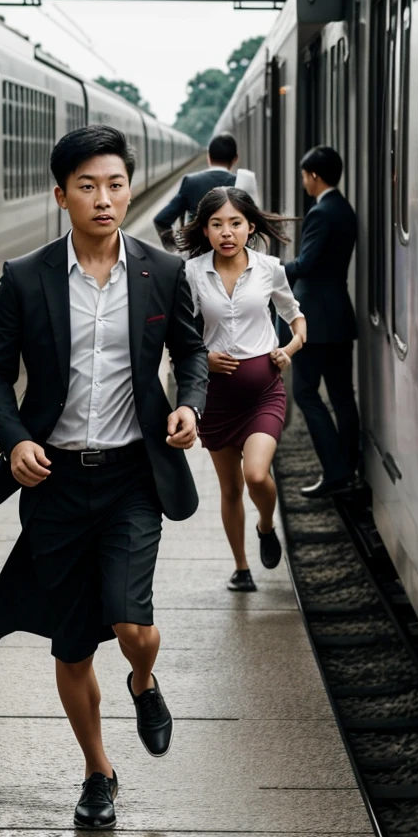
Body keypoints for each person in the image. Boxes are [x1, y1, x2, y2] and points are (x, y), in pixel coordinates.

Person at [0, 125, 208, 831]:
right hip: (54, 483)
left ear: (128, 188)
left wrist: (190, 407)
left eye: (114, 184)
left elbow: (191, 355)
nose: (103, 198)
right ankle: (98, 773)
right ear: (61, 196)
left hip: (133, 477)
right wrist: (14, 440)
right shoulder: (25, 277)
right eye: (87, 186)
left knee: (132, 621)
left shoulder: (163, 273)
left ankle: (143, 679)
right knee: (72, 642)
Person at [183, 188, 306, 592]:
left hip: (263, 393)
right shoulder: (192, 272)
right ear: (206, 229)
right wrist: (204, 357)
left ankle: (266, 526)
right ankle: (241, 567)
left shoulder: (270, 268)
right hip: (215, 397)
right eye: (217, 224)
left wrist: (287, 350)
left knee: (256, 475)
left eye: (235, 223)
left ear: (251, 226)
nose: (227, 232)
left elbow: (296, 319)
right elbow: (181, 336)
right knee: (230, 488)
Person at [284, 145, 360, 499]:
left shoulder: (320, 213)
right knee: (342, 394)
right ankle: (349, 465)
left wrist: (271, 269)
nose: (303, 183)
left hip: (314, 318)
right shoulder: (344, 209)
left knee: (305, 392)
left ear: (313, 176)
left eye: (304, 176)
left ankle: (334, 470)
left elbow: (307, 264)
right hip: (339, 316)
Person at [153, 133, 238, 251]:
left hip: (197, 254)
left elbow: (161, 220)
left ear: (208, 157)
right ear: (235, 159)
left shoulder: (191, 182)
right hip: (232, 255)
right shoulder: (241, 182)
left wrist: (175, 248)